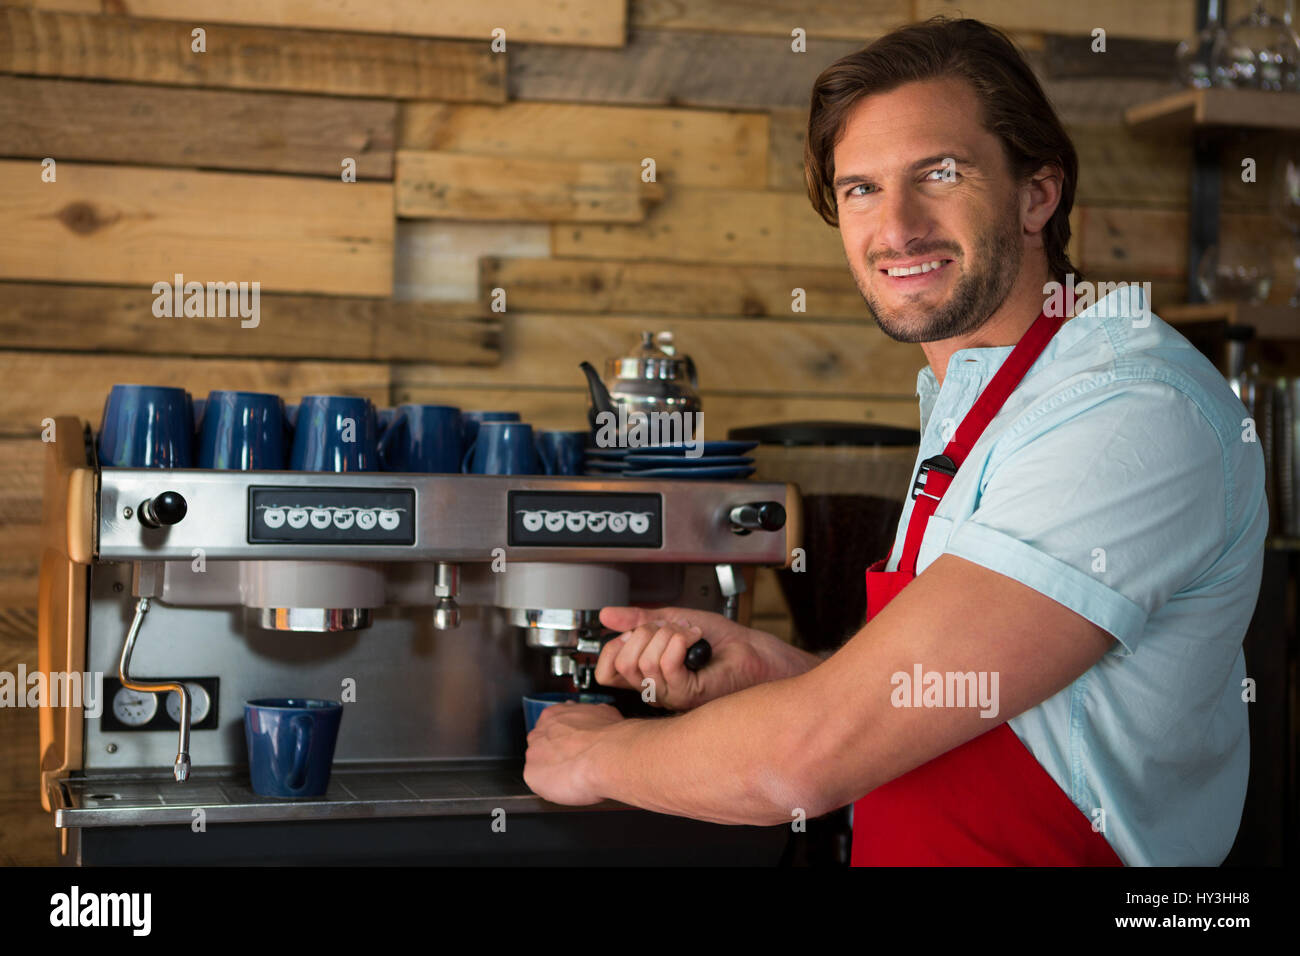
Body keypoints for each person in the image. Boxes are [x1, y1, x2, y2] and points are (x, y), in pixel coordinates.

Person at [523, 17, 1268, 866]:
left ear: (1038, 194)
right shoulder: (983, 396)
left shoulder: (1126, 413)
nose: (898, 227)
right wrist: (789, 674)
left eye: (939, 174)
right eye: (860, 190)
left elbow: (803, 763)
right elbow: (990, 708)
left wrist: (596, 755)